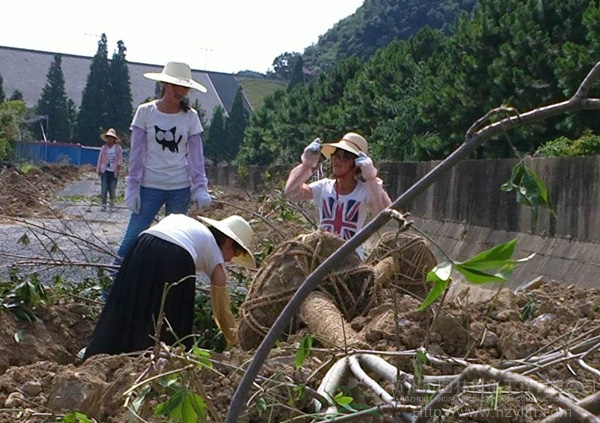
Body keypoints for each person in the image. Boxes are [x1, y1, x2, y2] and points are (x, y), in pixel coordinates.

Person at [84, 213, 255, 359]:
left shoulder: (192, 226)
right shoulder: (214, 250)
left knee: (125, 305)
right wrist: (233, 338)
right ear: (227, 242)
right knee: (173, 325)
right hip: (176, 255)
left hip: (142, 245)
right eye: (236, 253)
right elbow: (221, 301)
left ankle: (96, 354)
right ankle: (161, 366)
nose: (231, 259)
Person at [116, 61, 212, 263]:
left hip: (180, 189)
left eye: (185, 87)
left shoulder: (190, 117)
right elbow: (136, 153)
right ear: (165, 85)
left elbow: (196, 156)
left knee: (173, 246)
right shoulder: (145, 112)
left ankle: (164, 291)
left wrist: (200, 187)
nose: (181, 92)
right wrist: (132, 186)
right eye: (177, 86)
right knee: (131, 241)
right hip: (149, 187)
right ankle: (109, 291)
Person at [284, 132, 392, 258]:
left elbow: (385, 213)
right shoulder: (324, 187)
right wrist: (306, 165)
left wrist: (371, 178)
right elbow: (291, 192)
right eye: (336, 156)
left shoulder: (365, 191)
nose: (337, 161)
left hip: (353, 259)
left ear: (356, 164)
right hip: (321, 257)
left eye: (344, 157)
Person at [96, 128, 124, 212]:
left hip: (113, 172)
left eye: (111, 137)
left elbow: (119, 160)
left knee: (112, 189)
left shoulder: (118, 149)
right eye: (108, 137)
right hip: (105, 171)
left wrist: (118, 170)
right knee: (104, 188)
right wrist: (98, 169)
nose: (109, 139)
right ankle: (103, 205)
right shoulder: (104, 148)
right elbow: (100, 159)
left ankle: (112, 205)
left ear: (114, 139)